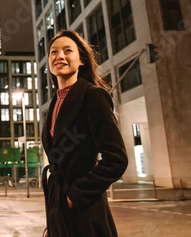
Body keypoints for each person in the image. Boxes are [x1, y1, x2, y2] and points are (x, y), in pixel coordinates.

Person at [42, 29, 128, 237]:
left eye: (67, 51)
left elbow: (116, 159)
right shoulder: (54, 104)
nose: (59, 56)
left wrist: (75, 196)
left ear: (81, 60)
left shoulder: (93, 96)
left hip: (84, 209)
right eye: (53, 52)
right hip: (58, 204)